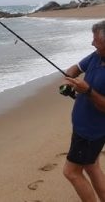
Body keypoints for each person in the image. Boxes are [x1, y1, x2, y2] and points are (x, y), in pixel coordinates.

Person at [62, 20, 105, 202]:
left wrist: (87, 90)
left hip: (90, 132)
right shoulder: (97, 55)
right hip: (82, 126)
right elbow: (76, 68)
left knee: (71, 172)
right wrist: (68, 80)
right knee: (91, 166)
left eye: (96, 40)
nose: (92, 43)